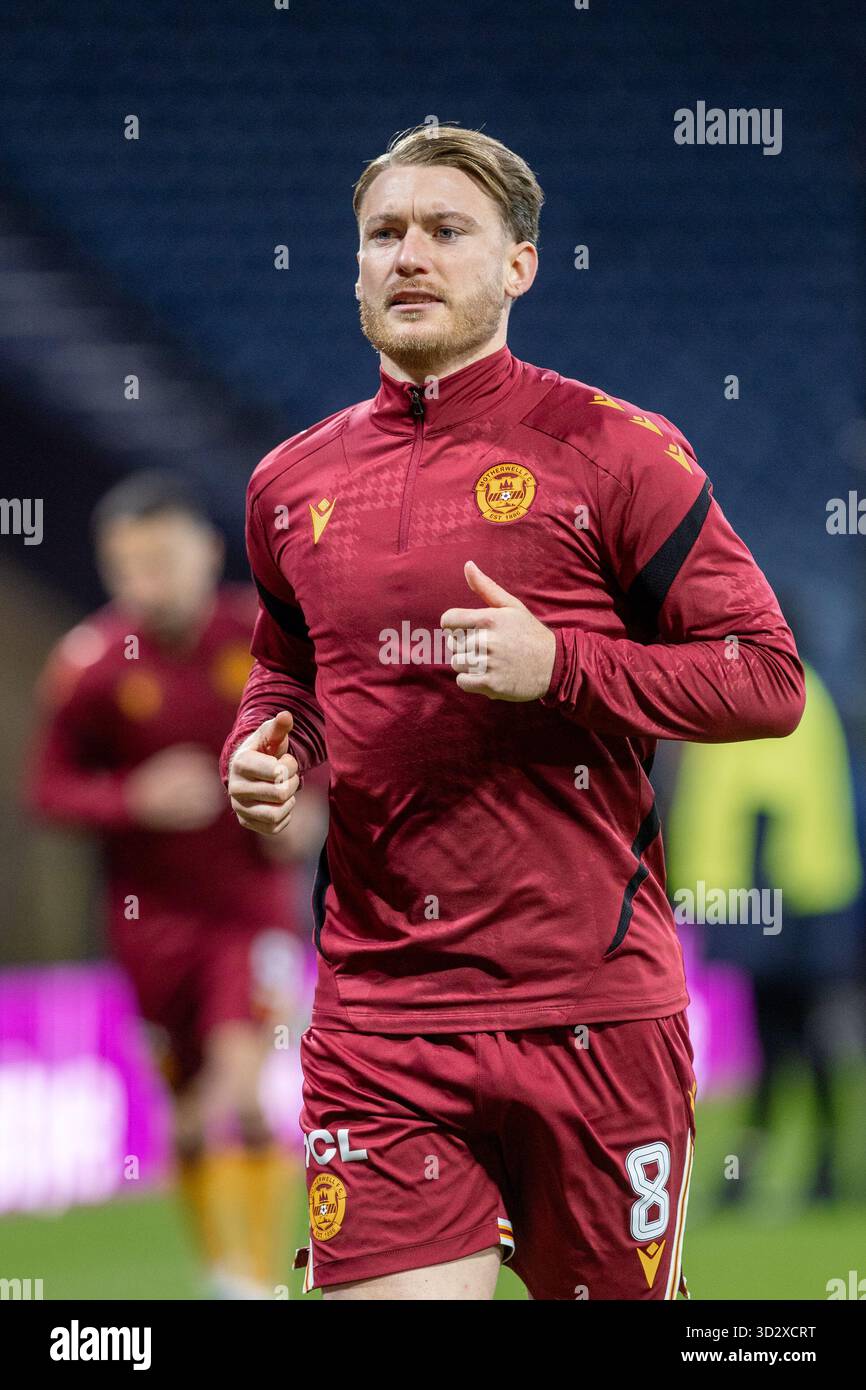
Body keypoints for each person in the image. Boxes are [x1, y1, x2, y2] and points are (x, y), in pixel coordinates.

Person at [220, 124, 805, 1301]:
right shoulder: (288, 483)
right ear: (353, 266)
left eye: (445, 231)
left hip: (590, 1012)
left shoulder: (619, 452)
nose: (409, 257)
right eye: (383, 234)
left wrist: (566, 665)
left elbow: (763, 677)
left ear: (520, 267)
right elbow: (286, 670)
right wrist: (260, 746)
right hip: (381, 1020)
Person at [26, 470, 325, 1299]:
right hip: (149, 928)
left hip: (253, 911)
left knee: (239, 1090)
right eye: (125, 565)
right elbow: (46, 789)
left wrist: (313, 805)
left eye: (159, 559)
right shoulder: (90, 666)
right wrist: (132, 797)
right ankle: (226, 1270)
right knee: (194, 1119)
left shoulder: (261, 637)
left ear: (204, 549)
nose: (142, 582)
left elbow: (332, 733)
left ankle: (257, 1277)